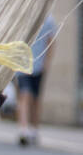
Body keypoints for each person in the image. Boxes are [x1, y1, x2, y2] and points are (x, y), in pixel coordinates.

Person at [18, 13, 56, 146]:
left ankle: (34, 129)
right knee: (25, 95)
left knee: (35, 99)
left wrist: (47, 62)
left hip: (39, 65)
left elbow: (51, 41)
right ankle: (23, 130)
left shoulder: (49, 20)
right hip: (23, 64)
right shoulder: (24, 16)